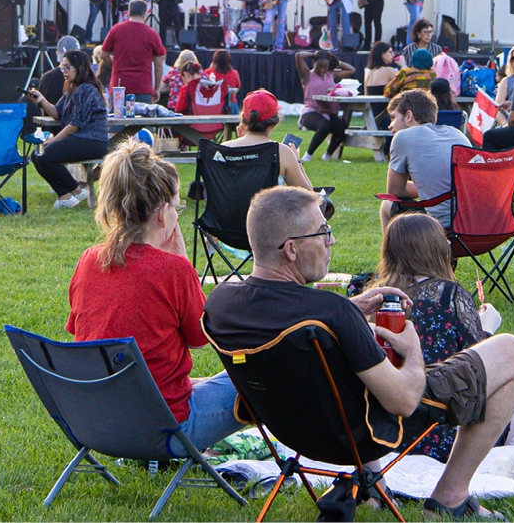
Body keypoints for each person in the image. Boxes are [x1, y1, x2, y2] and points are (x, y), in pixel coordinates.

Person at [204, 185, 514, 521]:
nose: (331, 241)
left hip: (296, 433)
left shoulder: (221, 303)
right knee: (512, 351)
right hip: (369, 431)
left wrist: (351, 308)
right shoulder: (330, 313)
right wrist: (413, 348)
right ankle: (450, 496)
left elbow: (293, 315)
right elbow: (403, 402)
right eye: (323, 233)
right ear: (291, 249)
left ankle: (374, 488)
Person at [65, 141, 247, 453]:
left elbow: (83, 331)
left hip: (98, 424)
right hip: (164, 431)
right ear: (163, 213)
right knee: (258, 378)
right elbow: (201, 338)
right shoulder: (174, 270)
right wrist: (182, 264)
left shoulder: (88, 261)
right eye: (178, 207)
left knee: (198, 382)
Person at [366, 213, 514, 462]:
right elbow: (477, 373)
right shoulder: (450, 295)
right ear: (438, 249)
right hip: (444, 429)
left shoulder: (376, 298)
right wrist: (488, 330)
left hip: (385, 431)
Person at [378, 88, 470, 231]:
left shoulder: (403, 137)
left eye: (393, 117)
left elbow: (394, 191)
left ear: (409, 116)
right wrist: (429, 186)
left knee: (387, 205)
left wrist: (424, 187)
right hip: (474, 225)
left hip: (440, 228)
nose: (390, 125)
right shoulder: (457, 133)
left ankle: (390, 254)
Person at [26, 49, 108, 208]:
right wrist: (41, 100)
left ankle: (77, 189)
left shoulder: (87, 89)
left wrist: (54, 139)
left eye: (67, 67)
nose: (63, 71)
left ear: (80, 67)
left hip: (93, 140)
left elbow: (76, 124)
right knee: (36, 155)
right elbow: (57, 113)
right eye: (62, 67)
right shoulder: (72, 88)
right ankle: (65, 196)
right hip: (80, 138)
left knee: (43, 155)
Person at [222, 90, 314, 189]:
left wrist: (241, 142)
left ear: (243, 120)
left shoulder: (223, 150)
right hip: (268, 204)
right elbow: (308, 195)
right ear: (274, 123)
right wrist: (297, 162)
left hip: (231, 205)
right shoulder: (282, 153)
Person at [297, 49, 356, 161]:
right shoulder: (307, 75)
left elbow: (352, 70)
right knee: (325, 126)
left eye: (325, 67)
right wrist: (314, 55)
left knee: (341, 126)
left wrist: (334, 60)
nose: (322, 70)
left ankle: (328, 154)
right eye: (319, 66)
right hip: (311, 112)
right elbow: (298, 55)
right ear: (314, 63)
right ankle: (308, 155)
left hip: (328, 111)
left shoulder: (331, 74)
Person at [100, 0, 166, 99]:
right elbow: (158, 65)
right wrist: (156, 88)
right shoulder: (152, 34)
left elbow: (103, 54)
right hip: (143, 87)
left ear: (129, 13)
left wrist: (114, 66)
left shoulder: (116, 30)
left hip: (119, 86)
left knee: (117, 114)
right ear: (145, 14)